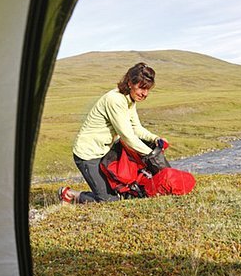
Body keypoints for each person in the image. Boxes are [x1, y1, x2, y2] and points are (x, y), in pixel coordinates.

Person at [58, 62, 166, 204]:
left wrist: (155, 138)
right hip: (88, 155)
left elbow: (136, 128)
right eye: (141, 88)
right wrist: (151, 155)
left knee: (122, 191)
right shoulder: (115, 100)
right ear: (129, 83)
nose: (144, 93)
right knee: (109, 200)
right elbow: (127, 136)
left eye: (148, 89)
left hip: (105, 151)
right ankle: (70, 195)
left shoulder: (130, 100)